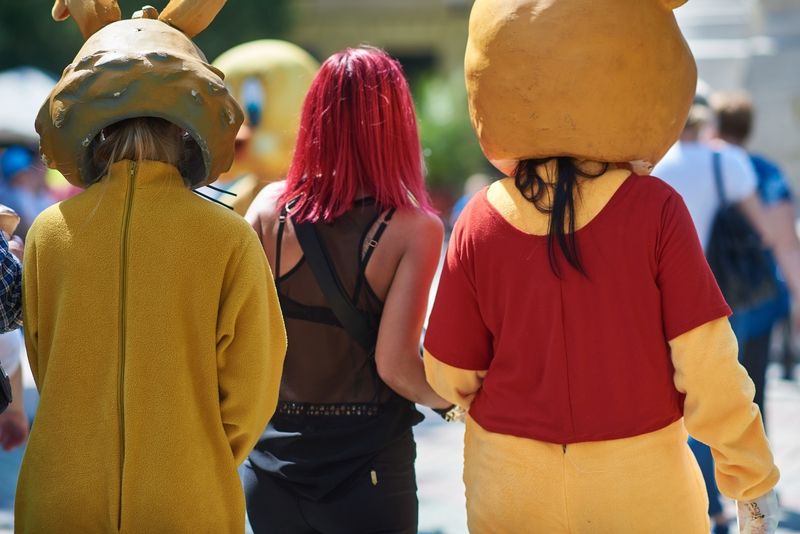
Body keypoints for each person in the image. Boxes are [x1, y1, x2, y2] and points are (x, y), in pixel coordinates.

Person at [423, 1, 779, 533]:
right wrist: (749, 479)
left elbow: (449, 372)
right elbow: (708, 363)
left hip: (510, 480)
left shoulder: (478, 218)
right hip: (641, 483)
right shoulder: (655, 209)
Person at [14, 1, 287, 531]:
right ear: (189, 127)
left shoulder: (48, 232)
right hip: (189, 503)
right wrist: (198, 455)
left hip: (60, 496)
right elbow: (254, 387)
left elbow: (45, 364)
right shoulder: (229, 237)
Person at [243, 46, 452, 534]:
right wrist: (457, 406)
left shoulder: (268, 209)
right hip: (367, 475)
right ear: (396, 125)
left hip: (271, 470)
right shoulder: (413, 229)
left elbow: (245, 339)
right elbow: (397, 367)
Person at [711, 90, 800, 388]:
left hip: (710, 293)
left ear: (714, 124)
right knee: (753, 390)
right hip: (759, 293)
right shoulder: (768, 172)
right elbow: (786, 243)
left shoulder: (700, 163)